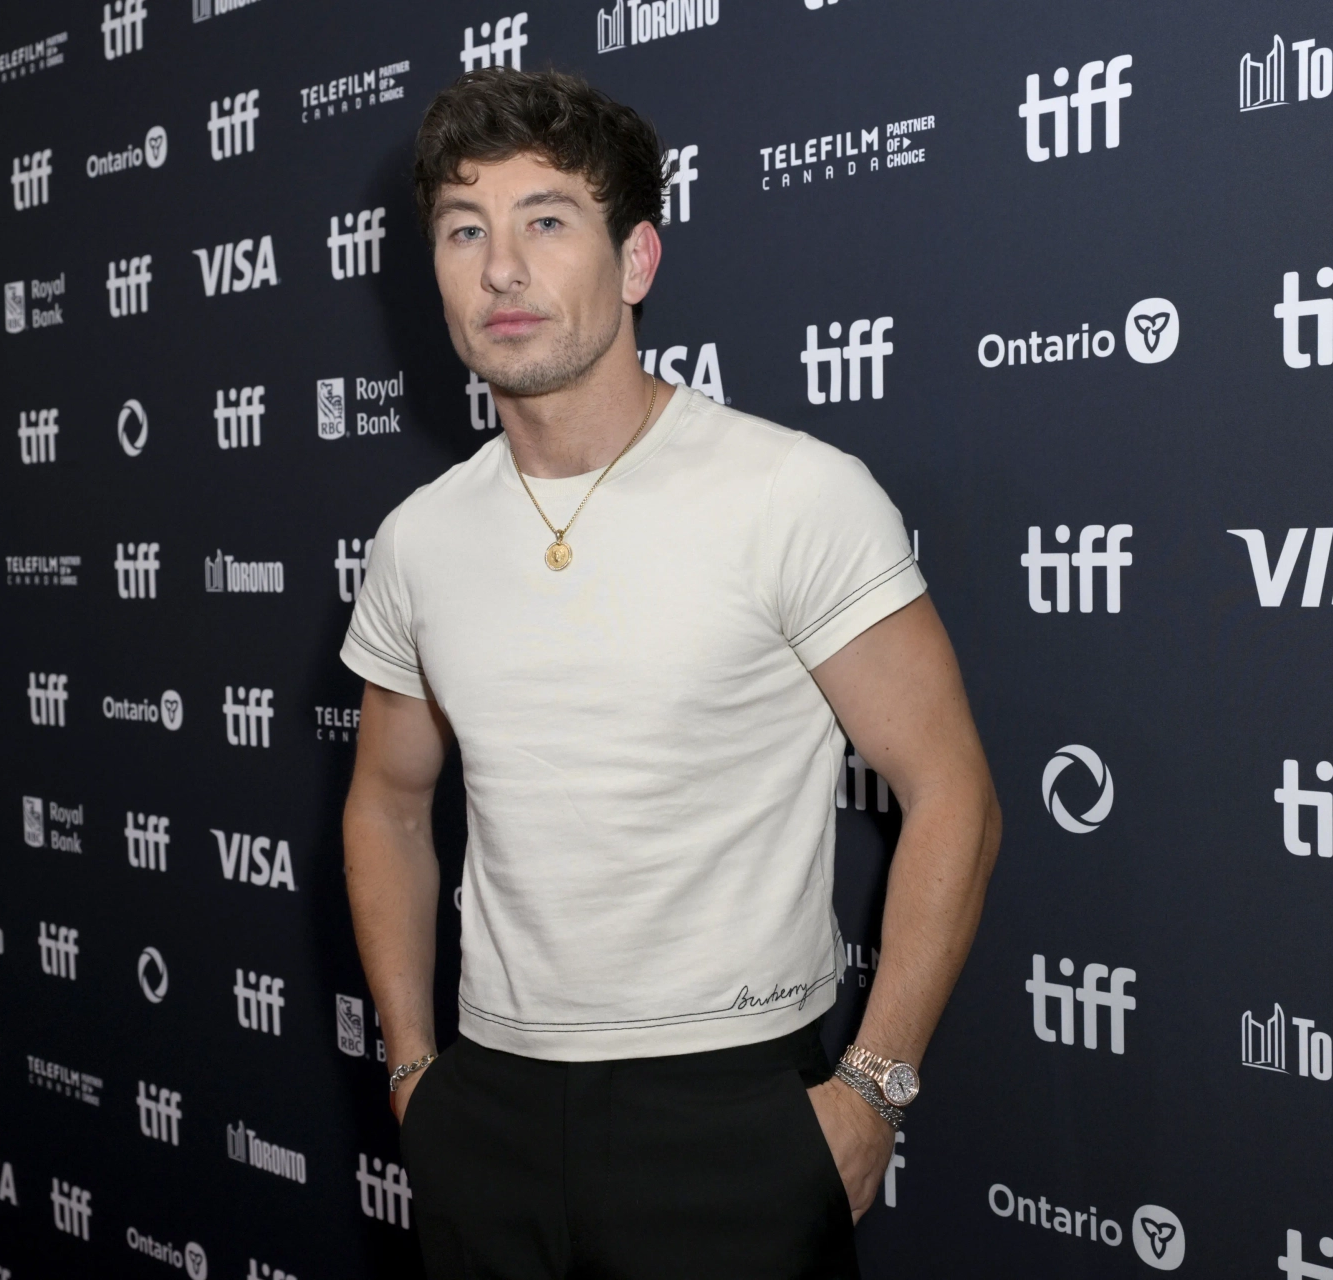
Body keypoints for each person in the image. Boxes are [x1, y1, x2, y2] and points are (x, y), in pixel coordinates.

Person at [340, 67, 1000, 1278]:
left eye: (546, 221)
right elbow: (386, 801)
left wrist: (872, 1089)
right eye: (464, 230)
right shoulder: (418, 540)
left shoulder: (793, 493)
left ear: (636, 259)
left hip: (733, 1115)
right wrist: (413, 1067)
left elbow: (952, 788)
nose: (501, 269)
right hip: (486, 1113)